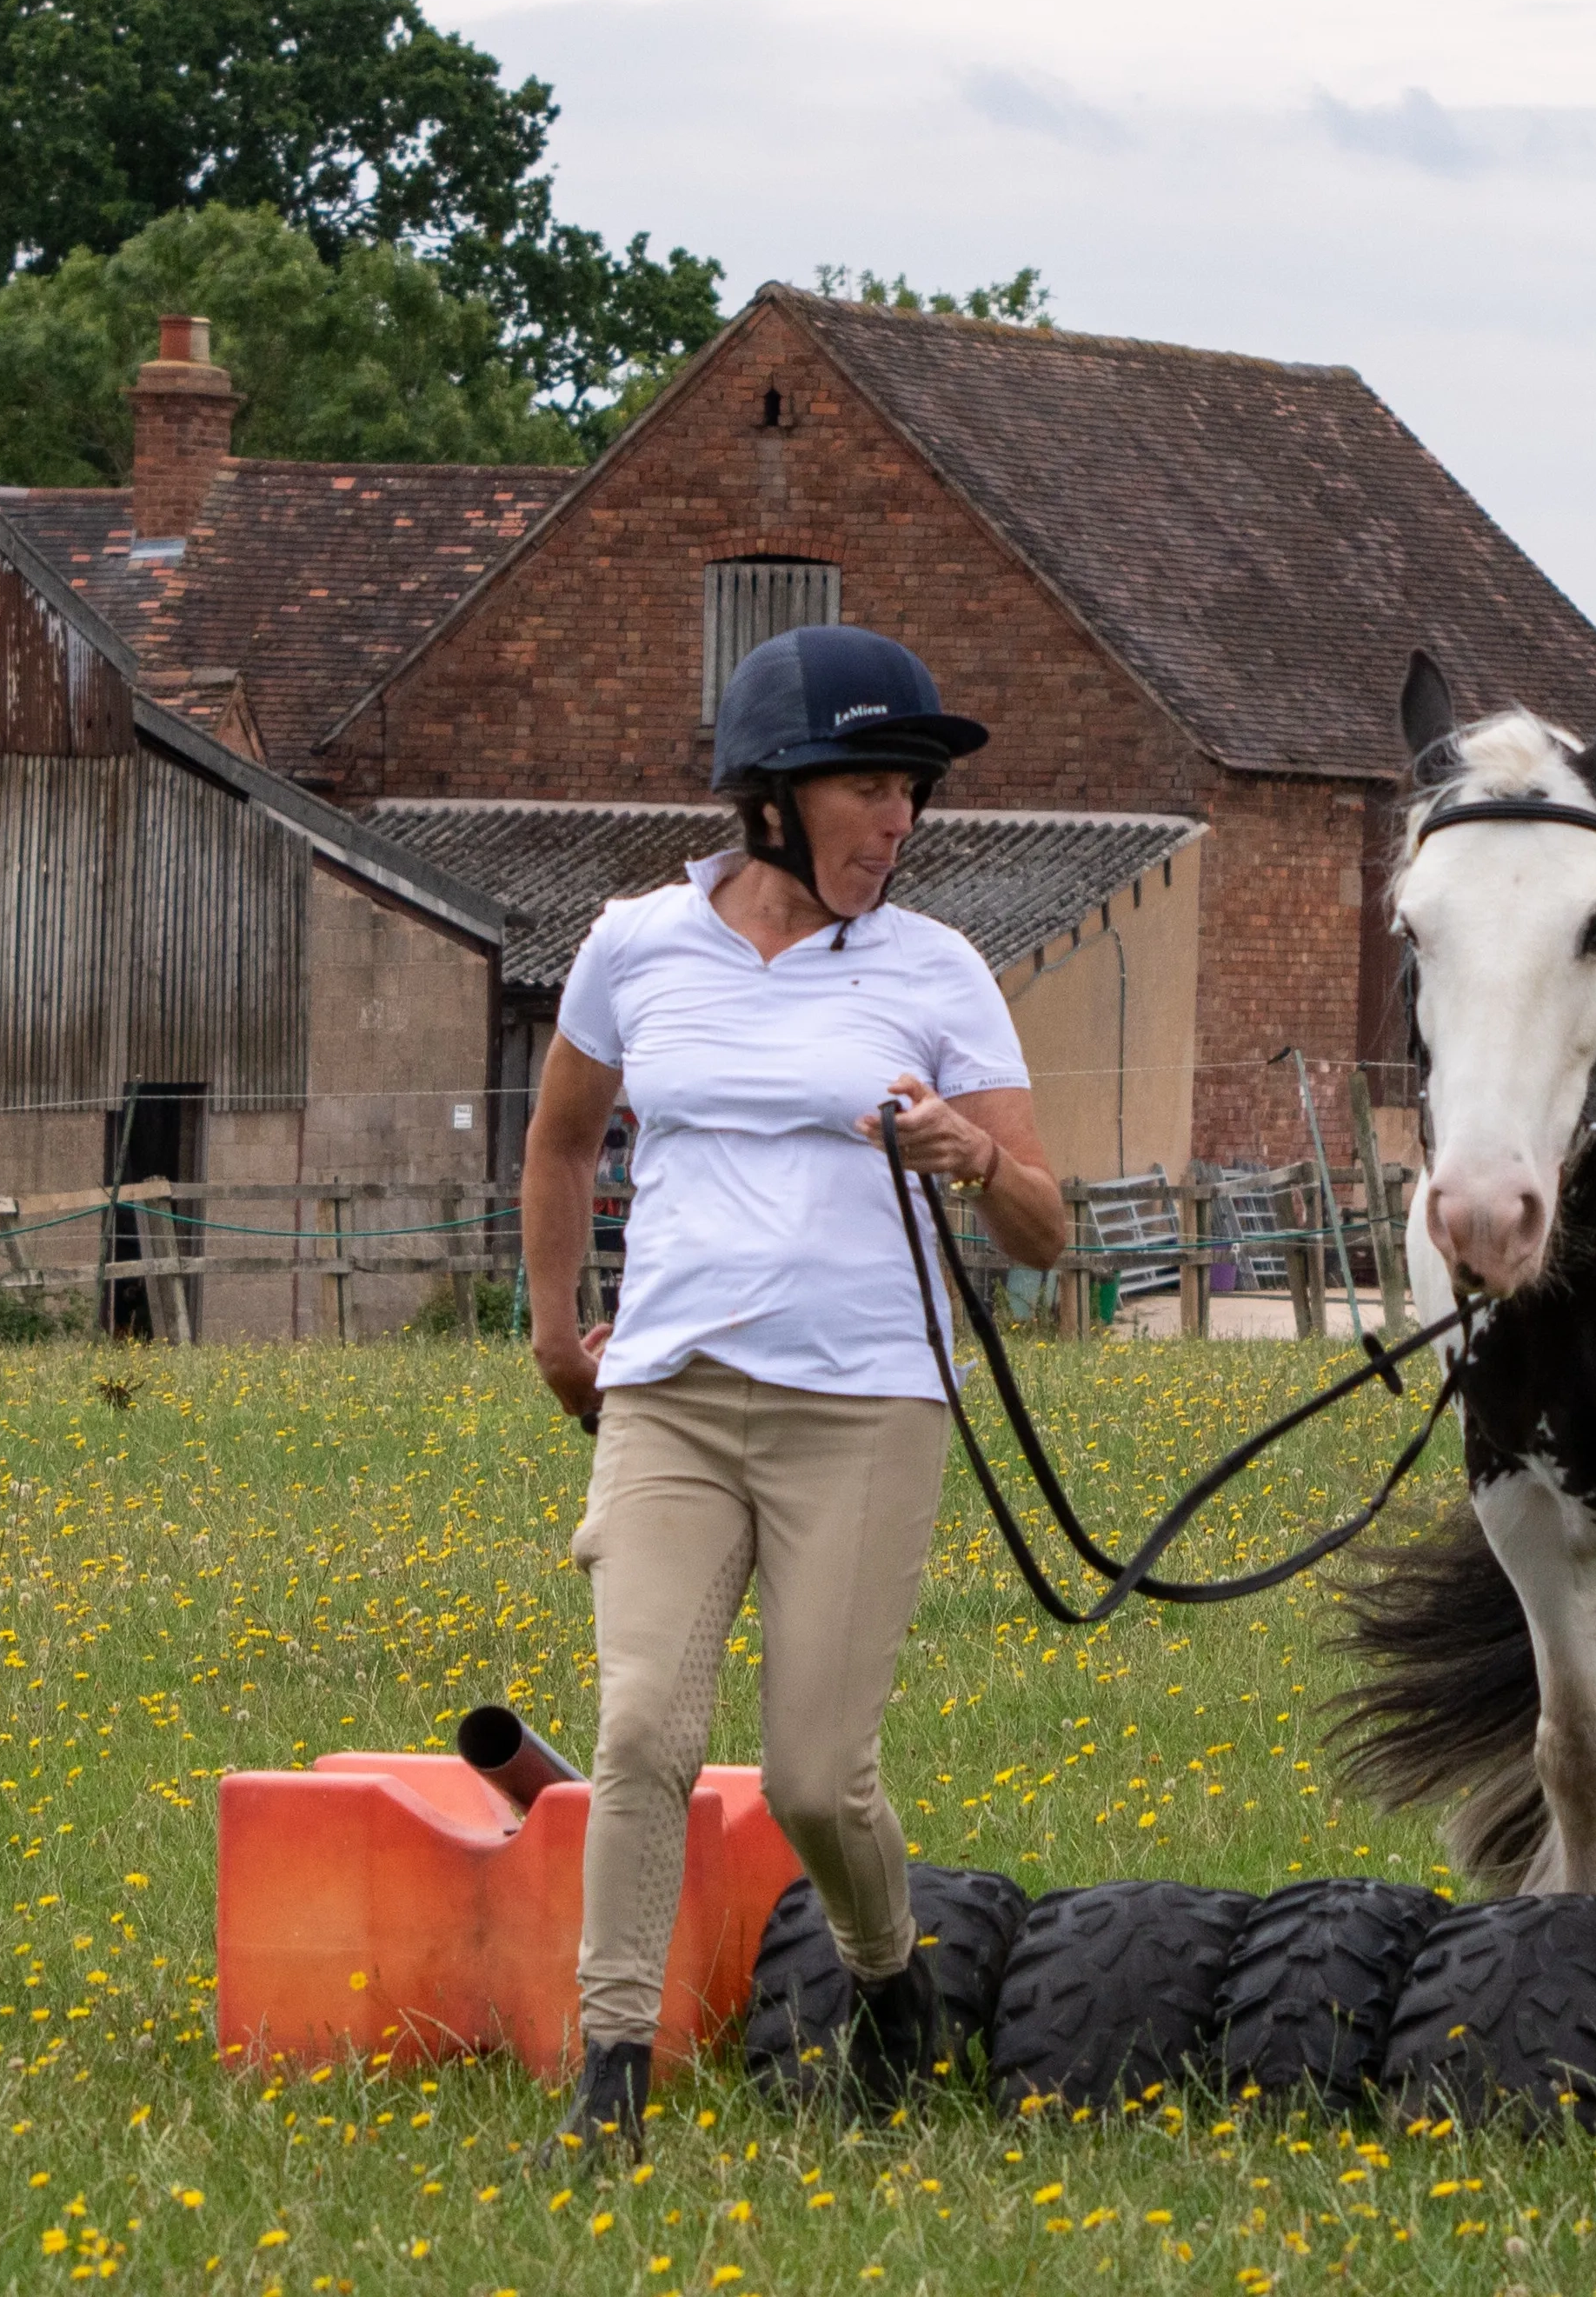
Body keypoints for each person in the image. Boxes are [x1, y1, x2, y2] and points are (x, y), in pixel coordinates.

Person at [519, 625, 1067, 2162]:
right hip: (675, 1393)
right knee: (640, 1732)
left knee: (823, 1777)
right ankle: (608, 2074)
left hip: (868, 1407)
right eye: (873, 787)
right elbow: (563, 1142)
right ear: (772, 797)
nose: (899, 821)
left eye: (912, 795)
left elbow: (1045, 1225)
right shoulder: (637, 943)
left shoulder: (936, 968)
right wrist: (564, 1335)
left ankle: (892, 1986)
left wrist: (975, 1155)